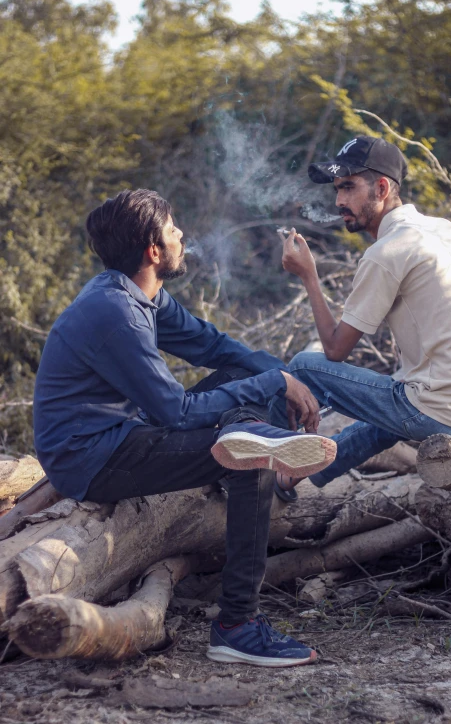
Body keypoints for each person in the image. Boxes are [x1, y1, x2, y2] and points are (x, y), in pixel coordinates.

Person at [33, 188, 338, 666]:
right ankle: (238, 626)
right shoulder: (116, 314)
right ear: (154, 251)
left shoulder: (142, 295)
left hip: (125, 434)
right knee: (251, 454)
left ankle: (253, 441)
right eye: (174, 230)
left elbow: (214, 346)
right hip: (91, 459)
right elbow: (176, 412)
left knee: (246, 384)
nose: (182, 236)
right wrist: (274, 383)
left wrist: (284, 376)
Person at [272, 135, 451, 502]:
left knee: (302, 368)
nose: (339, 201)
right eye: (337, 189)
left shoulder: (388, 251)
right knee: (401, 395)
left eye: (349, 187)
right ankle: (298, 473)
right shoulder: (450, 232)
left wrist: (309, 276)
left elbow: (335, 350)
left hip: (447, 417)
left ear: (382, 187)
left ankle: (268, 466)